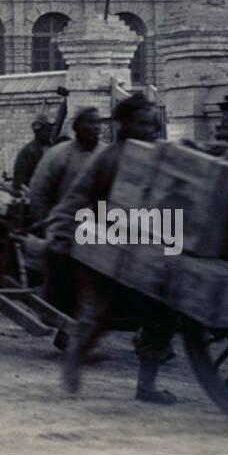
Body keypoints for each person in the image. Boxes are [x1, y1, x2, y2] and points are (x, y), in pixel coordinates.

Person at [36, 93, 177, 404]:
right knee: (99, 313)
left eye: (153, 122)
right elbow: (77, 197)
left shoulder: (160, 155)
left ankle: (147, 385)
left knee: (163, 313)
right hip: (104, 249)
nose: (151, 128)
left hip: (149, 247)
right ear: (125, 124)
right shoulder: (109, 158)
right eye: (143, 123)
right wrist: (59, 230)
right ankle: (76, 355)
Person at [26, 107, 102, 222]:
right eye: (91, 122)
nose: (96, 127)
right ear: (77, 126)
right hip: (66, 227)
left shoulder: (106, 153)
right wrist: (47, 225)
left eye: (98, 123)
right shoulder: (58, 155)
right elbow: (38, 193)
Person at [12, 113, 56, 191]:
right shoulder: (28, 152)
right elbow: (19, 181)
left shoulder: (53, 148)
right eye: (47, 130)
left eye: (50, 129)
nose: (50, 132)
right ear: (38, 131)